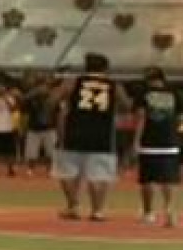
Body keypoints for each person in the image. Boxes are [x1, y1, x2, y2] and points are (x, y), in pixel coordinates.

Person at [53, 52, 131, 221]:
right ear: (105, 68)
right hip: (102, 134)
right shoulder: (114, 85)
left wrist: (63, 107)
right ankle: (97, 210)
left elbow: (53, 99)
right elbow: (127, 105)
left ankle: (73, 206)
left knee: (68, 172)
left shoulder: (73, 82)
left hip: (74, 132)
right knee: (99, 175)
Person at [132, 67, 183, 227]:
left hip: (149, 142)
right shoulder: (174, 94)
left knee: (148, 179)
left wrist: (136, 140)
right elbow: (179, 117)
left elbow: (141, 118)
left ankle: (149, 213)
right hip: (170, 141)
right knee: (168, 179)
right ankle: (169, 210)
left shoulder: (143, 94)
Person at [22, 72, 57, 176]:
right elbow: (24, 102)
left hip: (49, 127)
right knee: (31, 152)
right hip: (34, 128)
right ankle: (30, 169)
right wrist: (35, 93)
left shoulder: (52, 94)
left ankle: (50, 169)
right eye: (39, 82)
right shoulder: (31, 96)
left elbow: (57, 109)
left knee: (51, 152)